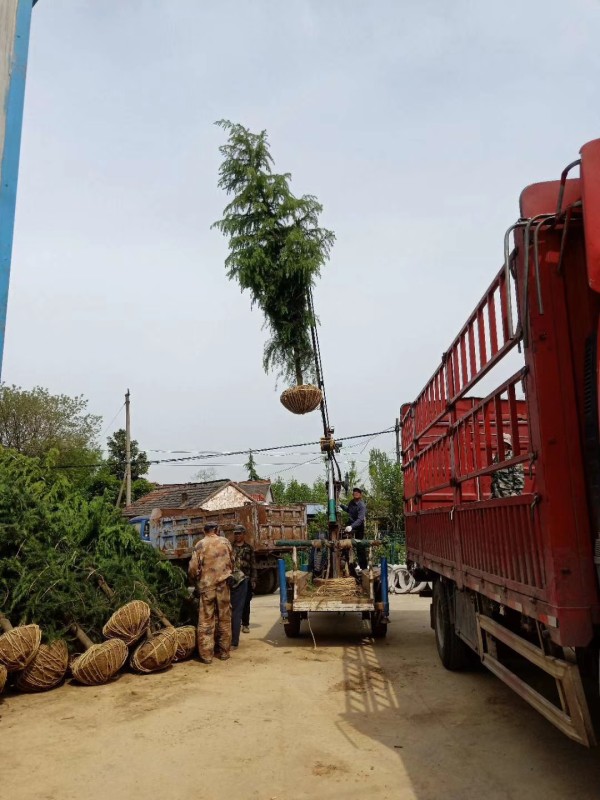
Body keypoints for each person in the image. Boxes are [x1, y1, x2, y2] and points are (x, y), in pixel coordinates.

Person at [188, 522, 234, 664]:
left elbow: (193, 568)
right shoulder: (225, 542)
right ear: (217, 530)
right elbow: (232, 562)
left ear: (204, 531)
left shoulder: (200, 545)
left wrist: (194, 581)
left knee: (206, 620)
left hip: (207, 587)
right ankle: (224, 652)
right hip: (223, 586)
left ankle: (207, 655)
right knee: (224, 618)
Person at [231, 524, 256, 635]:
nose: (237, 536)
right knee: (233, 603)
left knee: (246, 603)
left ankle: (245, 624)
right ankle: (234, 624)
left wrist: (254, 579)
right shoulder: (230, 547)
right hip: (234, 580)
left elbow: (253, 564)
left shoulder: (249, 548)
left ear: (243, 534)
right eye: (235, 533)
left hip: (246, 579)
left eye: (239, 533)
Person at [340, 487, 368, 569]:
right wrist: (341, 506)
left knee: (360, 547)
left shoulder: (361, 505)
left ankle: (363, 568)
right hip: (351, 524)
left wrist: (351, 527)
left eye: (358, 492)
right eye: (354, 492)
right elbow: (349, 510)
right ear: (352, 494)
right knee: (345, 544)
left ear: (360, 495)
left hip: (359, 527)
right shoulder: (351, 502)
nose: (356, 493)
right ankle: (347, 564)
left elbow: (360, 519)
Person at [491, 433, 525, 498]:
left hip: (508, 494)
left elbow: (519, 475)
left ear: (506, 444)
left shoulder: (513, 457)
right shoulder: (496, 457)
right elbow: (495, 476)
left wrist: (516, 493)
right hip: (496, 494)